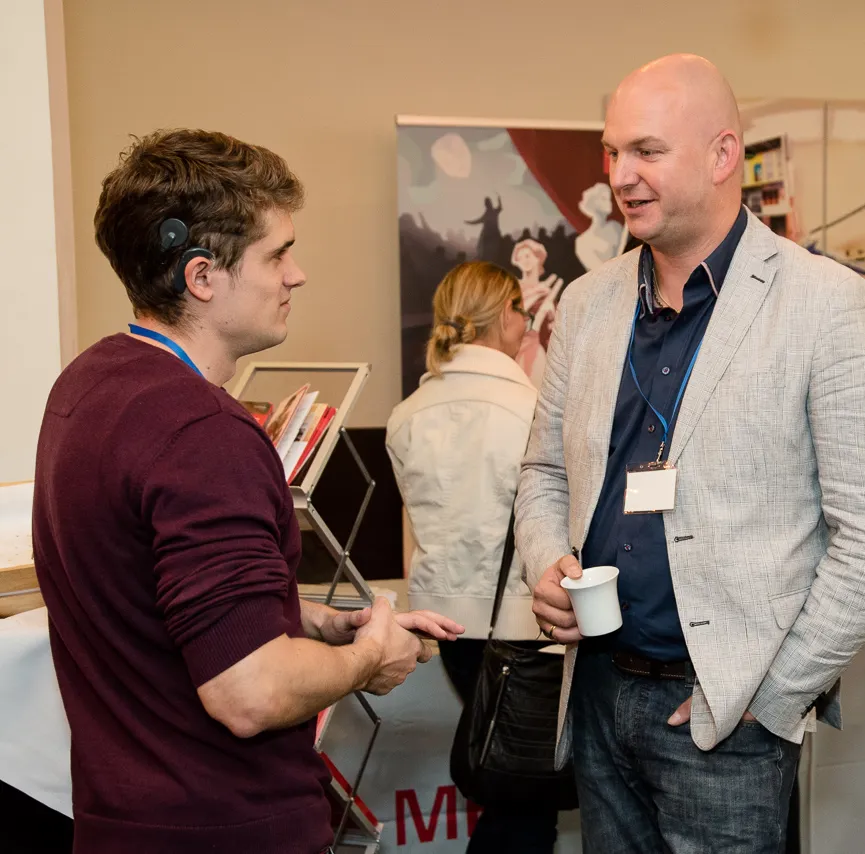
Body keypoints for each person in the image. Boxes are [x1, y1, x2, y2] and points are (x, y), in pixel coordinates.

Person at [515, 54, 865, 853]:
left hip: (726, 719)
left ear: (722, 154)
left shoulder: (825, 304)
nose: (620, 175)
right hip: (595, 693)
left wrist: (772, 697)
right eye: (612, 152)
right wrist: (543, 560)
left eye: (647, 151)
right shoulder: (589, 302)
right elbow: (544, 471)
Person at [30, 129, 463, 854]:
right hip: (227, 828)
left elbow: (147, 594)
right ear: (202, 277)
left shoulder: (87, 385)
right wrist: (371, 657)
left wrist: (310, 621)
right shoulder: (202, 431)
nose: (297, 275)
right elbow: (249, 691)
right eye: (277, 255)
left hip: (123, 826)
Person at [386, 261, 560, 853]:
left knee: (514, 790)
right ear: (505, 313)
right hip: (524, 623)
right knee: (526, 795)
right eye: (522, 311)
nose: (527, 324)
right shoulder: (531, 409)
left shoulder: (407, 414)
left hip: (446, 626)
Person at [510, 238, 565, 386]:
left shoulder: (547, 292)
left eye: (528, 256)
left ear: (538, 258)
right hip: (514, 348)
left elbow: (553, 327)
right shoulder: (513, 288)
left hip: (535, 347)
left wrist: (550, 313)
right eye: (520, 257)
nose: (524, 260)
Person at [575, 181, 625, 271]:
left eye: (608, 198)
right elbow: (601, 271)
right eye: (603, 198)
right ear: (594, 202)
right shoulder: (582, 243)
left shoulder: (614, 226)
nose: (609, 202)